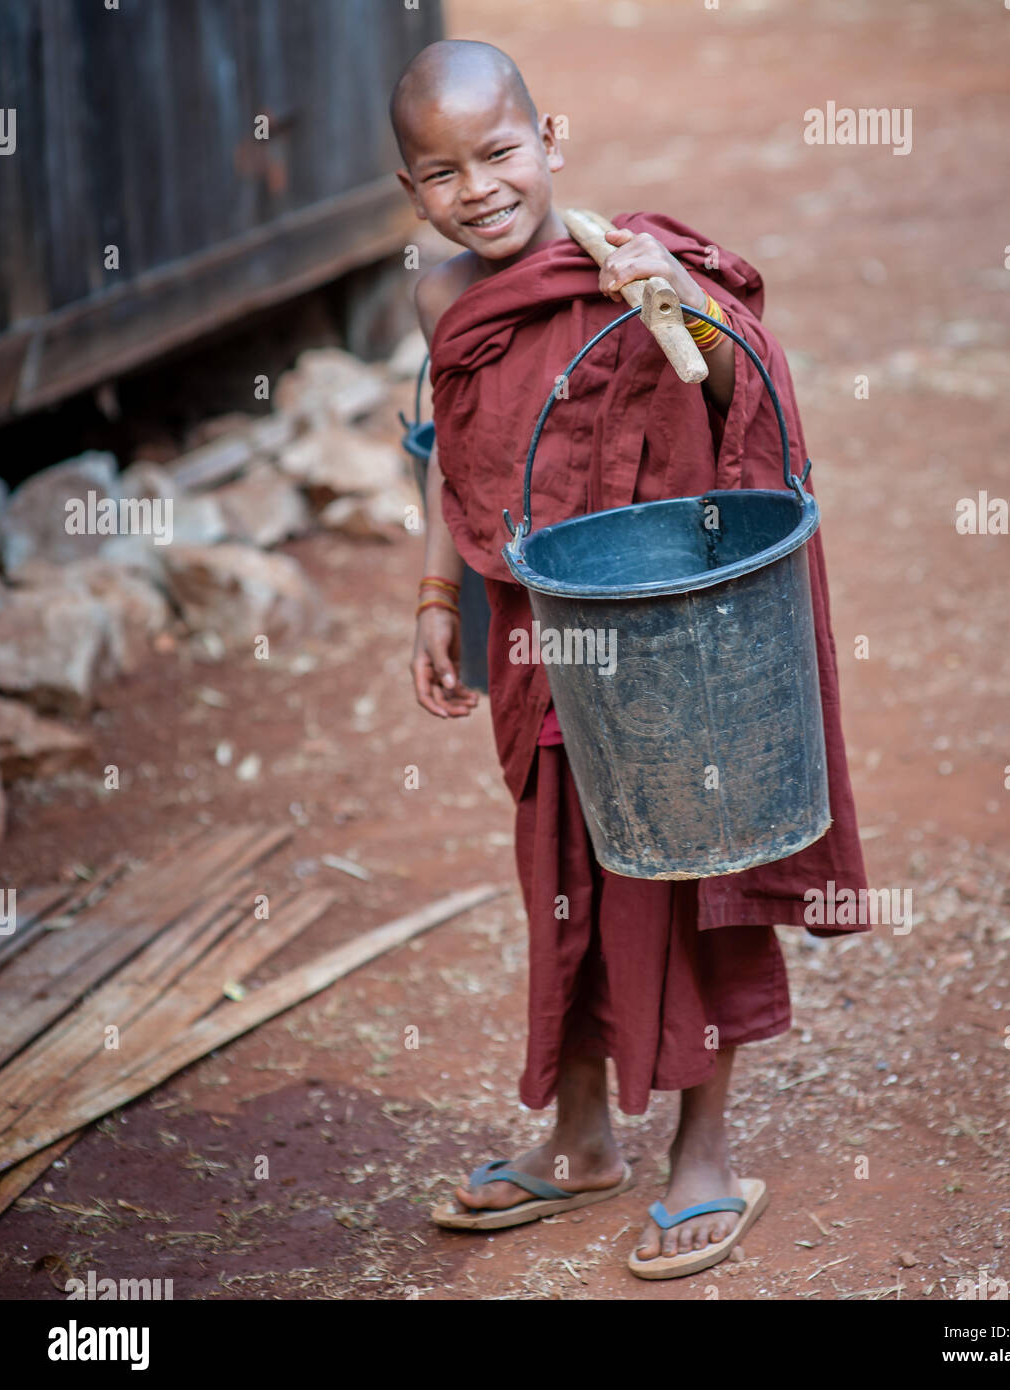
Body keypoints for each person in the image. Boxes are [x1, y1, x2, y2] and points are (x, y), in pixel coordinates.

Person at [391, 39, 868, 1279]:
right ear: (412, 190)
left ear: (550, 141)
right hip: (538, 631)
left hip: (663, 630)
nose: (479, 190)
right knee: (561, 872)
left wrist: (683, 305)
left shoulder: (627, 266)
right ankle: (582, 1137)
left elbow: (730, 395)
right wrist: (437, 598)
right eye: (441, 173)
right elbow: (448, 451)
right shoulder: (443, 296)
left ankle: (705, 1148)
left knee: (693, 870)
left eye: (498, 153)